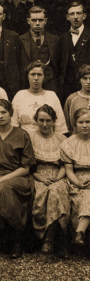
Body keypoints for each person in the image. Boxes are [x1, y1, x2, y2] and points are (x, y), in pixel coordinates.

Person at [0, 99, 36, 259]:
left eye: (3, 112)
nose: (0, 116)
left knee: (3, 188)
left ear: (11, 114)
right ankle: (16, 242)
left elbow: (26, 168)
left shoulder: (22, 134)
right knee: (1, 190)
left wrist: (1, 180)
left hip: (19, 178)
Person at [29, 105, 70, 258]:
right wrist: (41, 178)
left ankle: (50, 239)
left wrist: (56, 179)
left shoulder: (62, 139)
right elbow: (28, 166)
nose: (44, 124)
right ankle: (57, 241)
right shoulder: (30, 138)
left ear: (54, 121)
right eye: (41, 120)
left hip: (58, 175)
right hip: (37, 176)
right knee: (41, 192)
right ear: (36, 121)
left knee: (56, 190)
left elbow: (65, 165)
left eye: (48, 120)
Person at [61, 107, 90, 250]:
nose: (85, 125)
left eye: (88, 122)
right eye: (81, 122)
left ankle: (80, 232)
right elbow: (69, 170)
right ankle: (79, 233)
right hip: (76, 181)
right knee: (85, 194)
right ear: (75, 124)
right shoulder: (69, 143)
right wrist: (79, 183)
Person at [11, 61, 67, 136]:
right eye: (33, 74)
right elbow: (13, 124)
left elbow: (60, 127)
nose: (36, 78)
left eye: (39, 75)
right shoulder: (20, 95)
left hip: (47, 138)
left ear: (44, 77)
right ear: (28, 76)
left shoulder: (52, 95)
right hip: (25, 139)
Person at [19, 6, 60, 93]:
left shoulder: (55, 40)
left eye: (40, 20)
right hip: (28, 84)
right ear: (28, 21)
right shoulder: (20, 40)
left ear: (45, 21)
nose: (37, 23)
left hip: (50, 84)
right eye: (34, 20)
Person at [60, 2, 90, 102]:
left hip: (87, 84)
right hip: (67, 87)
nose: (75, 17)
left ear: (84, 16)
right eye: (72, 14)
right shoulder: (62, 38)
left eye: (79, 13)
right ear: (67, 17)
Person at [64, 64, 90, 133]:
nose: (88, 82)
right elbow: (67, 125)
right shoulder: (72, 99)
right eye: (85, 78)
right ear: (79, 80)